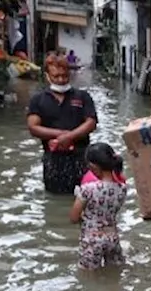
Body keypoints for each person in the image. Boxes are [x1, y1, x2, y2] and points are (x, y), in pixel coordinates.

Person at [26, 53, 97, 195]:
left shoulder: (82, 96)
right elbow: (33, 127)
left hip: (80, 157)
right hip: (52, 159)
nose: (61, 80)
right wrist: (59, 135)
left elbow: (91, 122)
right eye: (56, 76)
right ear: (47, 76)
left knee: (83, 195)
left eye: (64, 76)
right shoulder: (38, 99)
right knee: (53, 197)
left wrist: (70, 136)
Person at [70, 143, 127, 270]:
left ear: (93, 166)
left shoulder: (87, 189)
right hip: (113, 237)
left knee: (88, 278)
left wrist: (83, 216)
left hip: (92, 239)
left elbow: (73, 217)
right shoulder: (122, 189)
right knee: (114, 273)